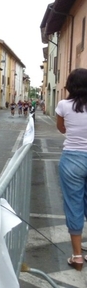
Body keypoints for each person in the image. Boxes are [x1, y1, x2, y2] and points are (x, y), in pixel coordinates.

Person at [55, 68, 87, 271]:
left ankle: (77, 256)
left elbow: (61, 128)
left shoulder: (63, 105)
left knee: (73, 205)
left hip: (72, 159)